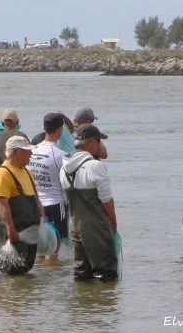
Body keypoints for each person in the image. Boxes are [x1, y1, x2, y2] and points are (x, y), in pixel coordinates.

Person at [60, 124, 118, 282]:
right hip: (96, 227)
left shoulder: (64, 168)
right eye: (99, 141)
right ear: (92, 142)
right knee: (106, 274)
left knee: (81, 273)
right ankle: (102, 305)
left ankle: (83, 304)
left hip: (74, 227)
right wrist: (113, 225)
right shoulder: (95, 166)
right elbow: (107, 201)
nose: (100, 145)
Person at [0, 136, 40, 274]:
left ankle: (23, 295)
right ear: (15, 152)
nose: (31, 154)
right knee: (12, 272)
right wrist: (10, 230)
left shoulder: (28, 172)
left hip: (29, 232)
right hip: (13, 233)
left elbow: (35, 198)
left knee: (25, 270)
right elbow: (2, 203)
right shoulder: (3, 173)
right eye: (27, 151)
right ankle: (10, 296)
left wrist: (42, 218)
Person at [26, 113, 67, 260]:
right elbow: (67, 184)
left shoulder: (31, 151)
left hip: (35, 205)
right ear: (60, 130)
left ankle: (41, 281)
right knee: (53, 253)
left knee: (39, 251)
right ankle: (53, 281)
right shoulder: (61, 155)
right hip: (55, 205)